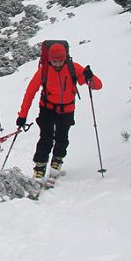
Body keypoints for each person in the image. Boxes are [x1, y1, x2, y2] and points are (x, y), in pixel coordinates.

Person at [16, 43, 103, 179]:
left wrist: (90, 77)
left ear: (65, 58)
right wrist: (22, 115)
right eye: (54, 61)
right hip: (47, 108)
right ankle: (40, 166)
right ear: (49, 59)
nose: (57, 64)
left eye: (60, 61)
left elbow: (98, 86)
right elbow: (30, 92)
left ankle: (56, 162)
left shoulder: (73, 68)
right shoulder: (43, 70)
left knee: (62, 138)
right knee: (46, 138)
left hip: (67, 109)